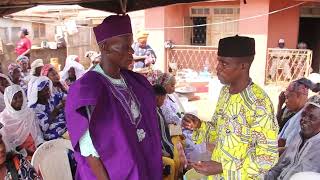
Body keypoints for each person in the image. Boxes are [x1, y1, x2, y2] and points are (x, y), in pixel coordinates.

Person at [65, 14, 162, 180]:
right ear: (104, 46)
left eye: (131, 45)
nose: (131, 51)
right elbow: (89, 151)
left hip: (140, 164)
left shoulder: (134, 81)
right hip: (109, 173)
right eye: (124, 47)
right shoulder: (87, 90)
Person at [182, 35, 279, 179]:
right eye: (218, 61)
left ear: (243, 66)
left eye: (224, 64)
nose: (217, 68)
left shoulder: (259, 103)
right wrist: (199, 125)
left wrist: (223, 168)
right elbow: (219, 130)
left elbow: (268, 156)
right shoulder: (225, 92)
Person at [264, 95, 320, 180]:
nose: (304, 119)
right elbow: (277, 169)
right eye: (303, 114)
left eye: (311, 117)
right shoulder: (298, 138)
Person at [0, 85, 43, 158]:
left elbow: (37, 132)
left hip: (36, 146)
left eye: (20, 96)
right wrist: (23, 152)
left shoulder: (29, 112)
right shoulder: (4, 119)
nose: (19, 100)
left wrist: (39, 144)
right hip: (20, 153)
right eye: (15, 98)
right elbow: (7, 145)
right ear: (9, 100)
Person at [28, 76, 67, 141]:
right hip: (52, 132)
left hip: (63, 125)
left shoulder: (51, 97)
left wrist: (66, 100)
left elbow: (65, 96)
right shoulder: (34, 109)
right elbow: (44, 126)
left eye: (48, 89)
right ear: (38, 93)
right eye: (45, 90)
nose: (48, 92)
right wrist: (57, 109)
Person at [278, 79, 310, 148]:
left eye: (287, 97)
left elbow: (289, 149)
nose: (285, 101)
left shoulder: (304, 119)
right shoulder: (296, 114)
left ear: (298, 96)